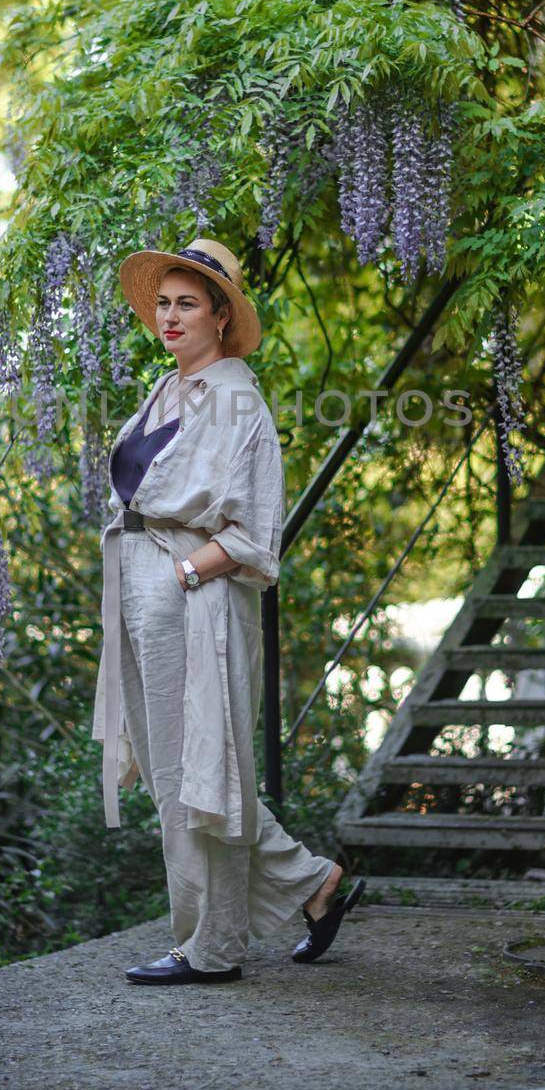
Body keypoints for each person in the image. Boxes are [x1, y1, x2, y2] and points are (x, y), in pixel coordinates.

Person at [91, 236, 365, 984]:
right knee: (180, 770)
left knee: (194, 772)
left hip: (192, 601)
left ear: (220, 315)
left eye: (186, 304)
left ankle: (207, 949)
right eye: (162, 304)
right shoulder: (168, 389)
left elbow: (253, 530)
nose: (169, 317)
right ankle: (313, 885)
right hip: (145, 592)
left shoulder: (236, 397)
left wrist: (182, 572)